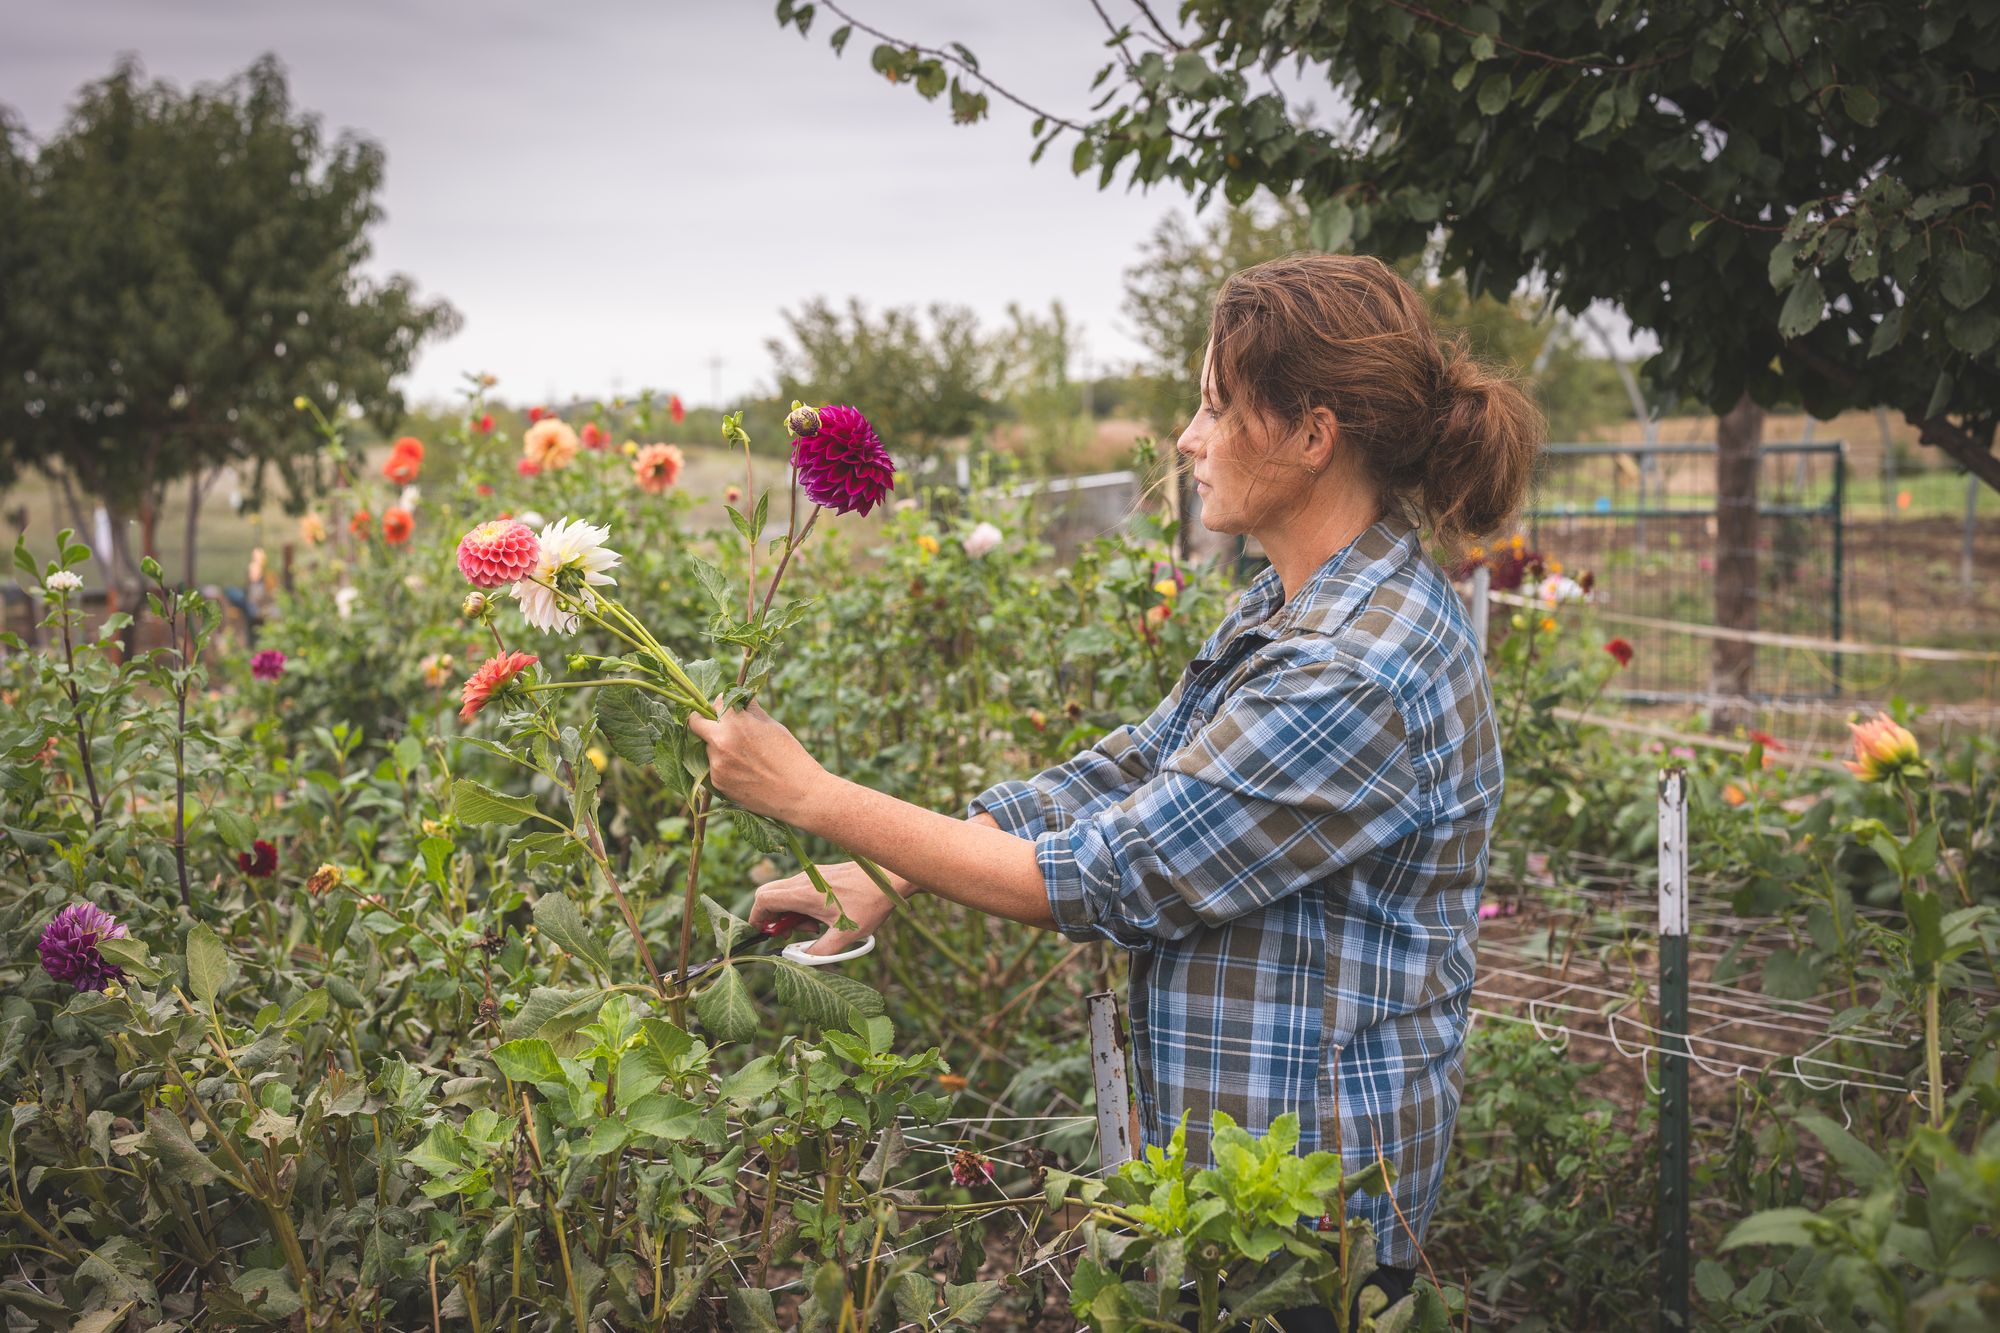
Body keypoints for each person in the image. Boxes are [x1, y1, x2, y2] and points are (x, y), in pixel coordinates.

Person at [688, 253, 1542, 1315]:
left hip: (1302, 1224)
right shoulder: (1300, 604)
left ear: (1312, 435)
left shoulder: (1349, 673)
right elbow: (1138, 767)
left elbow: (1108, 877)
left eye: (1213, 406)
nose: (1186, 438)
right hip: (1243, 1186)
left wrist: (817, 798)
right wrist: (878, 869)